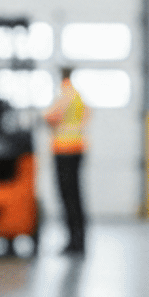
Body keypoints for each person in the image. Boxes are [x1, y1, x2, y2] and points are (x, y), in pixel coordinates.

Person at [43, 67, 89, 255]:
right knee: (76, 196)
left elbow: (51, 117)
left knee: (68, 196)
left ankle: (74, 241)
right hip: (77, 147)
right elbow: (86, 116)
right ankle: (78, 239)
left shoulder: (65, 94)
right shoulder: (77, 95)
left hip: (65, 150)